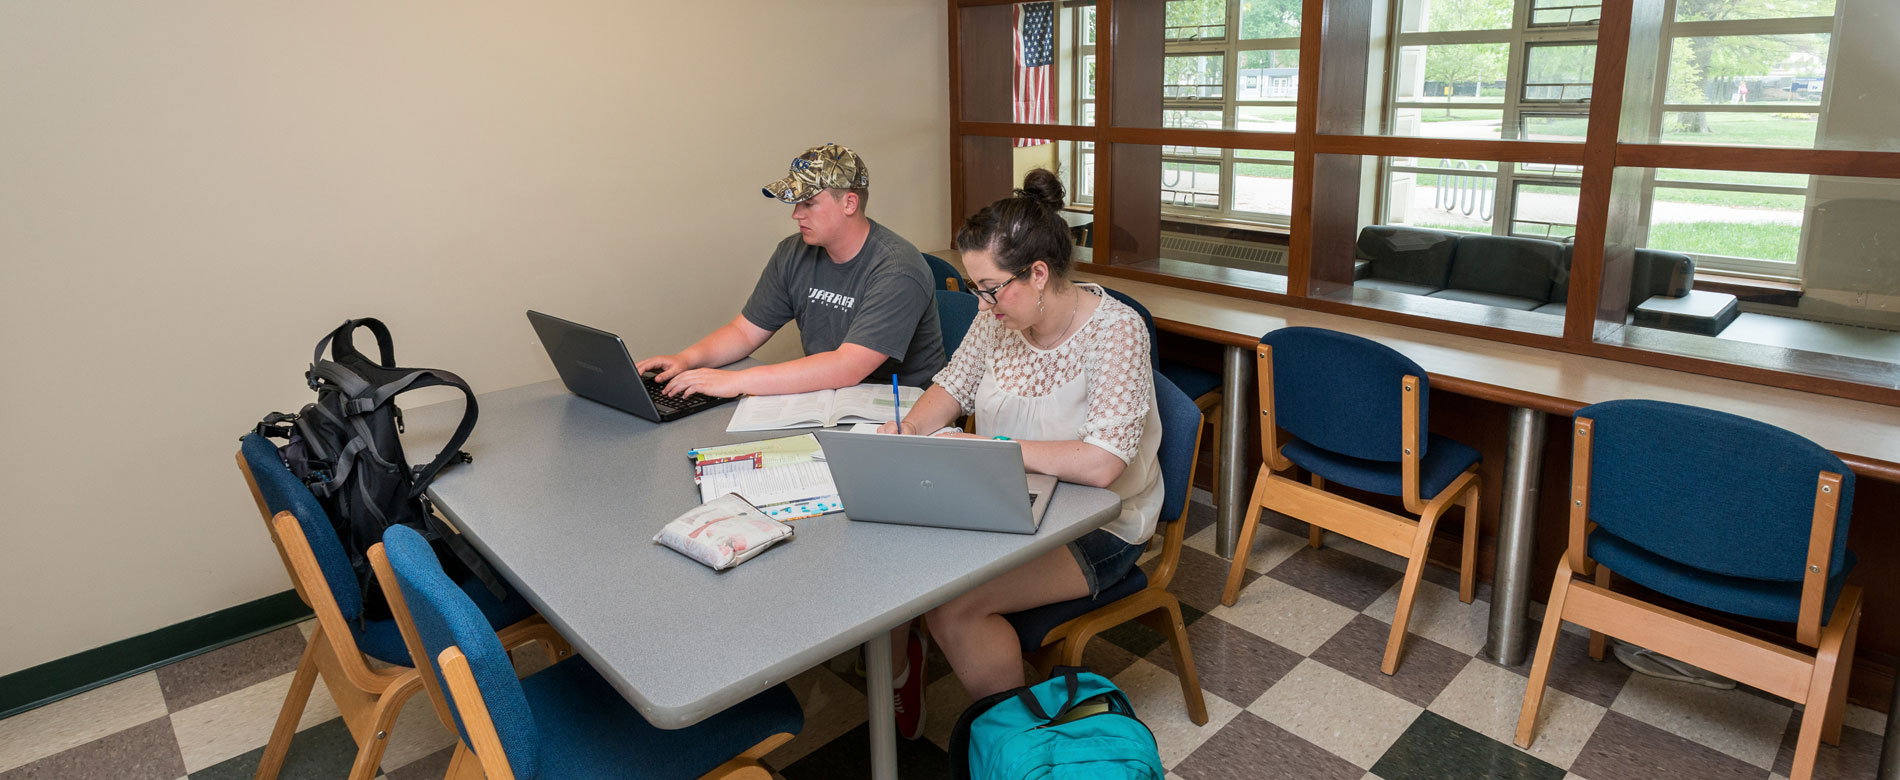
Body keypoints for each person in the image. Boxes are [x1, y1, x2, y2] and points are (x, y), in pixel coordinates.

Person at [874, 169, 1162, 738]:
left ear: (1037, 274)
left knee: (954, 605)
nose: (980, 305)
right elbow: (953, 387)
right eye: (974, 288)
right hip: (1010, 495)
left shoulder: (1116, 331)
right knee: (891, 553)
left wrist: (990, 448)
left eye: (988, 287)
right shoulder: (1000, 319)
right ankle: (913, 676)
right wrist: (910, 429)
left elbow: (1103, 463)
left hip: (1100, 522)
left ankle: (1027, 748)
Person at [638, 143, 946, 397]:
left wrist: (738, 381)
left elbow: (848, 366)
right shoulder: (794, 251)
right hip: (827, 397)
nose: (796, 215)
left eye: (808, 204)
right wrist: (687, 359)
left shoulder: (896, 268)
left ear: (849, 203)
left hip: (899, 412)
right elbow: (744, 332)